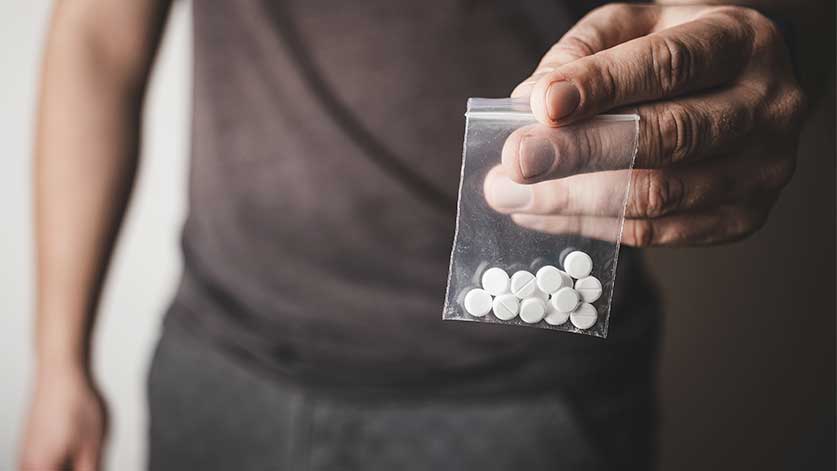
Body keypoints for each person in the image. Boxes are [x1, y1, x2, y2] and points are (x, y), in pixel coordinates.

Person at [19, 0, 827, 470]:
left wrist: (753, 43)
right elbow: (98, 34)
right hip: (222, 364)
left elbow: (748, 24)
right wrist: (59, 360)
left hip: (526, 398)